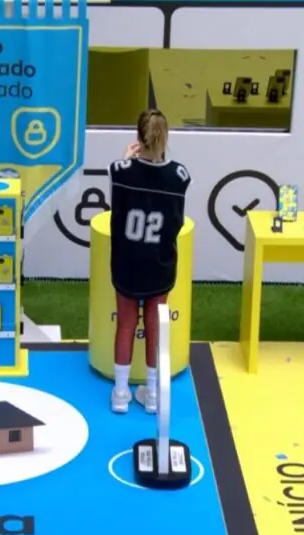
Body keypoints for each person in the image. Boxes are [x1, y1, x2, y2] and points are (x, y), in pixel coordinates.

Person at [108, 109, 191, 414]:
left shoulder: (120, 171)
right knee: (155, 328)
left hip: (127, 263)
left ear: (138, 138)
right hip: (159, 264)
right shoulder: (180, 176)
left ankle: (120, 392)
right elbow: (176, 222)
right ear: (165, 137)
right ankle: (154, 393)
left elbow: (117, 206)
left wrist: (127, 160)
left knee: (126, 324)